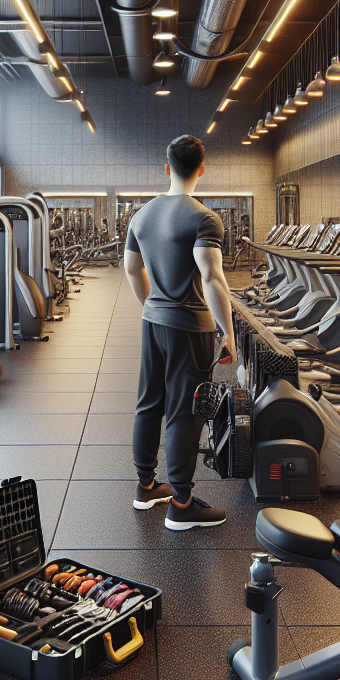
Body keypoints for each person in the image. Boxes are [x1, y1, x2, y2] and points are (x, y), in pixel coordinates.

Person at [124, 134, 237, 531]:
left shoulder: (141, 216)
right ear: (201, 170)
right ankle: (182, 504)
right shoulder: (204, 217)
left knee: (149, 402)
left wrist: (151, 304)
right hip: (192, 327)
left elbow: (131, 269)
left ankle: (146, 486)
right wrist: (228, 331)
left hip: (153, 322)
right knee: (185, 412)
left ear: (167, 168)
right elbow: (212, 277)